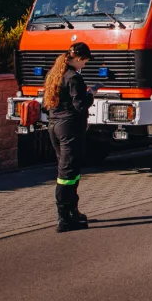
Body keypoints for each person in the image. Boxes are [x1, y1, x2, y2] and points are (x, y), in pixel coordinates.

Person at [42, 42, 98, 233]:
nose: (85, 65)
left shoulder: (54, 75)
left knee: (69, 170)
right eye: (85, 62)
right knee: (66, 175)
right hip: (70, 128)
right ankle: (64, 218)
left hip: (55, 126)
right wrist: (91, 94)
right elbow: (80, 105)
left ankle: (73, 211)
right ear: (79, 59)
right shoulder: (73, 77)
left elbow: (47, 104)